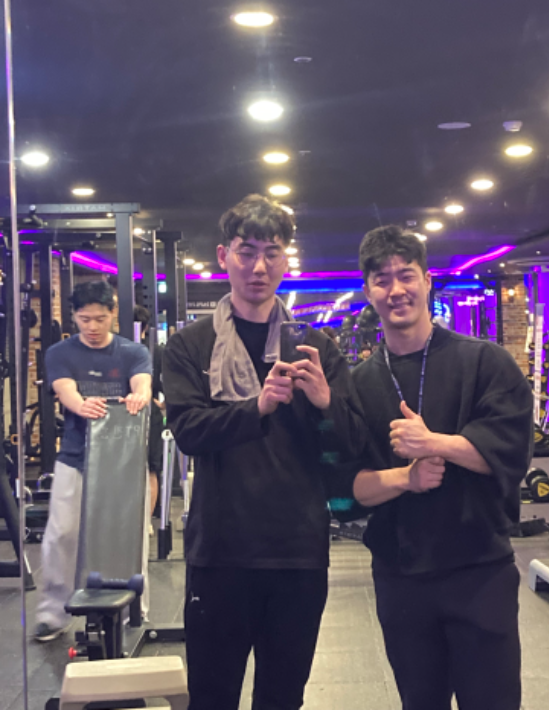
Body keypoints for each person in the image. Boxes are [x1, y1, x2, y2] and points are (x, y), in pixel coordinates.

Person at [163, 194, 365, 710]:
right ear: (223, 256)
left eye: (271, 252)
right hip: (220, 551)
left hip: (297, 552)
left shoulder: (316, 346)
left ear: (285, 259)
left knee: (282, 697)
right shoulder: (191, 345)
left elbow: (349, 444)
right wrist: (257, 406)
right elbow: (188, 431)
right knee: (212, 697)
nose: (258, 266)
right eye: (246, 251)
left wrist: (325, 401)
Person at [351, 226, 533, 710]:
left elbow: (512, 454)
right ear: (368, 291)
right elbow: (350, 490)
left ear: (427, 280)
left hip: (480, 568)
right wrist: (407, 478)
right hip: (401, 576)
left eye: (406, 275)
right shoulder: (359, 385)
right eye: (382, 280)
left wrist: (437, 444)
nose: (396, 290)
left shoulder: (486, 362)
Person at [34, 281, 152, 642]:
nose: (93, 327)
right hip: (75, 455)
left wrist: (139, 396)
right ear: (74, 316)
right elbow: (65, 390)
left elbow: (143, 383)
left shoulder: (133, 351)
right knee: (62, 533)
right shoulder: (60, 352)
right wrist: (80, 404)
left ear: (113, 314)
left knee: (128, 535)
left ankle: (135, 607)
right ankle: (53, 613)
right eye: (85, 319)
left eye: (100, 319)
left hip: (123, 460)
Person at [134, 304, 165, 521]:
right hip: (147, 412)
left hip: (129, 413)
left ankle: (141, 522)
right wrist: (162, 405)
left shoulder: (154, 352)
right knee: (151, 469)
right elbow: (169, 387)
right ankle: (145, 523)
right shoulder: (157, 351)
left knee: (149, 468)